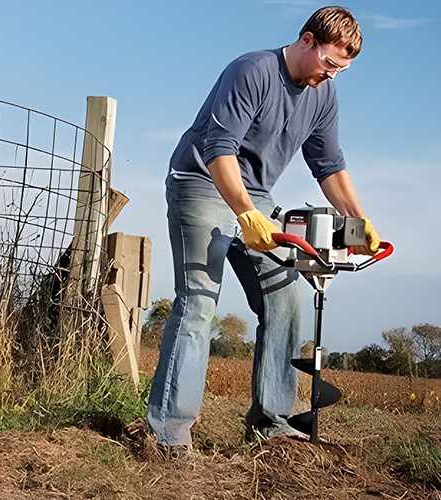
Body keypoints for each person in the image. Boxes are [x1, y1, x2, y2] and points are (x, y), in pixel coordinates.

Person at [147, 6, 380, 449]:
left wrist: (358, 219)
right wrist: (244, 213)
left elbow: (328, 166)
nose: (332, 75)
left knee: (287, 298)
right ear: (307, 40)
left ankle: (271, 424)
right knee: (199, 301)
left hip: (256, 197)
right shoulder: (251, 71)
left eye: (342, 70)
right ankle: (170, 435)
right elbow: (219, 147)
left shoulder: (323, 97)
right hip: (201, 181)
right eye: (330, 63)